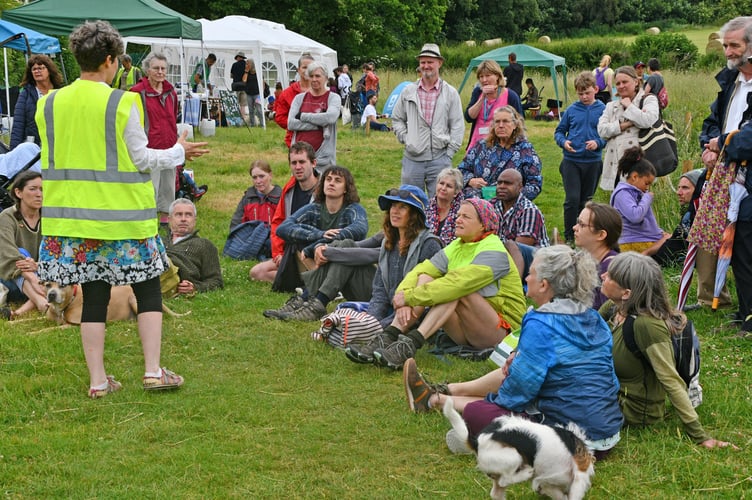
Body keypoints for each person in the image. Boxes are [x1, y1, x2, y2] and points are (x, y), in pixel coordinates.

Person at [35, 20, 209, 399]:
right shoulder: (122, 102)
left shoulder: (47, 103)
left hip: (69, 222)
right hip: (123, 220)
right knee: (147, 289)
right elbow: (142, 158)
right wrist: (180, 150)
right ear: (112, 60)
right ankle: (152, 371)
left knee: (94, 295)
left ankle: (98, 381)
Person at [403, 245, 623, 459]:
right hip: (607, 434)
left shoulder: (542, 324)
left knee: (478, 413)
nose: (526, 278)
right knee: (512, 371)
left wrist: (492, 401)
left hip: (573, 440)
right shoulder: (594, 318)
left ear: (544, 285)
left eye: (531, 273)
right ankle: (439, 395)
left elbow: (517, 394)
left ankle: (435, 400)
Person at [350, 198, 526, 370]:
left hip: (502, 334)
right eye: (458, 215)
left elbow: (457, 284)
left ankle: (411, 343)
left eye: (466, 217)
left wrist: (409, 297)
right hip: (467, 329)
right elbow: (422, 270)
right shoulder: (458, 245)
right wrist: (402, 295)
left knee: (455, 290)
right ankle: (389, 334)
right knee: (428, 277)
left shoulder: (495, 252)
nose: (458, 219)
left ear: (483, 225)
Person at [600, 252, 736, 449]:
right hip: (610, 392)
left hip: (631, 409)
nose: (604, 276)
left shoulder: (646, 326)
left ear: (627, 293)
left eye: (610, 276)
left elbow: (670, 379)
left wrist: (701, 436)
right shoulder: (615, 308)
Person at [269, 185, 442, 323]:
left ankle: (314, 300)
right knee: (344, 246)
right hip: (382, 297)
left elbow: (370, 254)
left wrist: (329, 252)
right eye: (392, 206)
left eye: (402, 207)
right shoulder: (391, 235)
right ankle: (309, 299)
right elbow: (358, 246)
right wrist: (319, 247)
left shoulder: (427, 244)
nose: (394, 211)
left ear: (415, 214)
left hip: (405, 304)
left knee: (344, 255)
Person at [698, 16, 752, 333]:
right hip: (726, 178)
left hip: (748, 180)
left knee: (746, 245)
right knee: (732, 246)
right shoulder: (731, 82)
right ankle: (745, 311)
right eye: (726, 45)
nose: (728, 52)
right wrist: (709, 144)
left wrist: (726, 144)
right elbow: (712, 122)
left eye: (735, 45)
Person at [274, 165, 368, 298]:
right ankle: (323, 284)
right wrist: (318, 234)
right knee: (296, 241)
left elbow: (360, 228)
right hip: (315, 260)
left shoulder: (354, 209)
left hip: (342, 261)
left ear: (346, 188)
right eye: (328, 179)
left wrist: (320, 244)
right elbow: (283, 228)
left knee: (344, 243)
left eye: (337, 180)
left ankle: (325, 286)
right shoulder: (314, 208)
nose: (331, 183)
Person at [392, 43, 464, 198]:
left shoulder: (450, 93)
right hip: (412, 159)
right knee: (410, 203)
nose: (426, 66)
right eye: (423, 62)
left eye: (430, 62)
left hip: (440, 158)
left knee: (440, 204)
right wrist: (406, 138)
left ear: (439, 63)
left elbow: (457, 125)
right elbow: (397, 118)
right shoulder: (408, 91)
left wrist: (449, 154)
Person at [131, 53, 193, 226]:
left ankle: (165, 221)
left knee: (168, 187)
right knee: (150, 188)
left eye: (163, 68)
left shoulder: (171, 91)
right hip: (149, 148)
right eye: (156, 68)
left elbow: (173, 117)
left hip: (170, 145)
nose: (160, 72)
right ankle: (147, 221)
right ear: (147, 70)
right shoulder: (137, 92)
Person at [249, 142, 319, 283]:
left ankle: (310, 279)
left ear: (313, 163)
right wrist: (279, 253)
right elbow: (278, 222)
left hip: (315, 250)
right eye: (294, 163)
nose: (298, 167)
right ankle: (304, 280)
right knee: (256, 273)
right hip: (291, 250)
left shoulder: (325, 189)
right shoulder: (289, 190)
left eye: (302, 162)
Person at [555, 71, 607, 244]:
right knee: (572, 199)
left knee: (586, 201)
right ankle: (569, 237)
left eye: (587, 93)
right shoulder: (571, 110)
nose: (584, 97)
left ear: (596, 89)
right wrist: (563, 142)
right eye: (580, 93)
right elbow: (559, 132)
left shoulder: (603, 110)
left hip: (593, 162)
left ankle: (583, 235)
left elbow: (608, 134)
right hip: (572, 161)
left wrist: (598, 142)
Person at [458, 106, 542, 200]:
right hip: (476, 203)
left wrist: (511, 196)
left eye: (505, 121)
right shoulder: (481, 146)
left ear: (515, 125)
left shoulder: (525, 150)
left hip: (508, 205)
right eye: (497, 122)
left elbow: (535, 184)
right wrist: (470, 180)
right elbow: (461, 170)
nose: (501, 125)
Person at [597, 65, 659, 191]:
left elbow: (648, 120)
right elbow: (602, 131)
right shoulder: (611, 106)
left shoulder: (648, 99)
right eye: (618, 83)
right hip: (616, 166)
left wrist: (630, 107)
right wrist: (625, 125)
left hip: (639, 165)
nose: (621, 86)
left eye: (625, 82)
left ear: (636, 82)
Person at [0, 171, 47, 319]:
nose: (39, 194)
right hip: (11, 279)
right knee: (21, 253)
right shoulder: (7, 217)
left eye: (42, 189)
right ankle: (41, 301)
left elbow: (58, 255)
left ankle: (19, 312)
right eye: (33, 189)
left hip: (43, 277)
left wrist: (38, 266)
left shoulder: (50, 218)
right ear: (18, 192)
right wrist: (33, 279)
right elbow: (8, 256)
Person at [492, 169, 549, 279]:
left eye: (508, 183)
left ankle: (513, 286)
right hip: (499, 256)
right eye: (499, 183)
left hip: (534, 263)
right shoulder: (492, 205)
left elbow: (519, 250)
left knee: (511, 246)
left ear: (520, 187)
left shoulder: (529, 210)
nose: (502, 186)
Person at [288, 62, 341, 173]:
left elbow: (330, 118)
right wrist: (318, 124)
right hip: (300, 157)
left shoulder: (333, 98)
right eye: (311, 76)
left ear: (326, 77)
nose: (314, 79)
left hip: (323, 158)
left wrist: (303, 116)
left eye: (317, 76)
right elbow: (291, 123)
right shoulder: (299, 98)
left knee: (323, 188)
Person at [610, 147, 664, 253]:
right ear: (635, 177)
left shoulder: (637, 193)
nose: (647, 188)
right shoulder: (622, 194)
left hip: (644, 239)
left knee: (672, 237)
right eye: (646, 183)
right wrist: (647, 198)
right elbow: (636, 216)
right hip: (634, 241)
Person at [165, 199, 223, 295]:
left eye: (188, 215)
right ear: (169, 219)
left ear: (194, 220)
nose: (183, 219)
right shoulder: (158, 242)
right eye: (179, 214)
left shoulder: (204, 245)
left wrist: (195, 287)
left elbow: (216, 281)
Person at [572, 202, 622, 310]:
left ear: (601, 235)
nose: (574, 228)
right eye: (577, 223)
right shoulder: (587, 260)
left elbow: (609, 317)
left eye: (582, 225)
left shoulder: (610, 271)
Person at [464, 60, 522, 150]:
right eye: (481, 76)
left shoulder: (510, 96)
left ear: (497, 76)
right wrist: (482, 97)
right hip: (476, 146)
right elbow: (469, 117)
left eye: (488, 76)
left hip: (501, 147)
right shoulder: (478, 92)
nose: (484, 80)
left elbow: (519, 124)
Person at [11, 55, 64, 150]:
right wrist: (14, 152)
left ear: (49, 70)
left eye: (40, 68)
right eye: (34, 69)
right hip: (34, 147)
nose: (37, 71)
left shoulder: (61, 92)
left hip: (58, 145)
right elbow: (18, 124)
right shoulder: (25, 94)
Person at [229, 159, 282, 231]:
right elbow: (236, 225)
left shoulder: (282, 198)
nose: (258, 181)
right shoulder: (247, 199)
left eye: (261, 176)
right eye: (254, 177)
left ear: (270, 175)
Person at [275, 54, 314, 147]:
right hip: (295, 140)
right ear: (298, 69)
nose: (307, 70)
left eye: (311, 67)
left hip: (318, 140)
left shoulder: (322, 92)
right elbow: (280, 118)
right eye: (304, 67)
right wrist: (299, 125)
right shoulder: (287, 93)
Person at [425, 167, 464, 246]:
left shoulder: (462, 211)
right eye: (441, 183)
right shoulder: (426, 207)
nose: (443, 188)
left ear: (456, 192)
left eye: (449, 186)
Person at [230, 51, 250, 123]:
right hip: (244, 87)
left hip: (235, 86)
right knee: (243, 105)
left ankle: (235, 120)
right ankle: (243, 120)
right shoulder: (246, 65)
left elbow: (231, 76)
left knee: (236, 104)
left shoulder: (234, 65)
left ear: (238, 57)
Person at [244, 59, 264, 127]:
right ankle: (252, 124)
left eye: (248, 64)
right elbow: (244, 80)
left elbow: (262, 82)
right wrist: (246, 72)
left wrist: (262, 92)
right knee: (251, 110)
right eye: (246, 64)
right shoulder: (247, 73)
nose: (246, 65)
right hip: (249, 94)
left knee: (259, 110)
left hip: (257, 94)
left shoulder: (258, 72)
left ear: (252, 64)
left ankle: (262, 124)